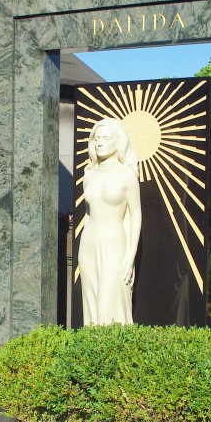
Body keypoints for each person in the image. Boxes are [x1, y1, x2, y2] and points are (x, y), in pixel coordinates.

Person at [79, 117, 142, 325]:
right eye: (97, 138)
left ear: (118, 141)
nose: (99, 142)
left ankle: (115, 352)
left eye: (105, 138)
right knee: (91, 301)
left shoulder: (127, 175)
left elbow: (135, 215)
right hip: (88, 242)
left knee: (110, 302)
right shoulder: (89, 174)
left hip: (115, 243)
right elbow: (89, 213)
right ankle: (89, 352)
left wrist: (130, 254)